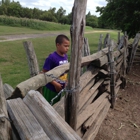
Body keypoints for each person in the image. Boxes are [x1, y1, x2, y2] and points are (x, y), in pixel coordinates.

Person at [42, 34, 70, 105]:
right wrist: (55, 84)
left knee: (56, 105)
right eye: (65, 46)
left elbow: (64, 71)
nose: (67, 48)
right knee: (48, 106)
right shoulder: (51, 58)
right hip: (51, 88)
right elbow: (44, 73)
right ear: (58, 45)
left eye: (68, 46)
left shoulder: (65, 56)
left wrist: (66, 80)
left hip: (60, 88)